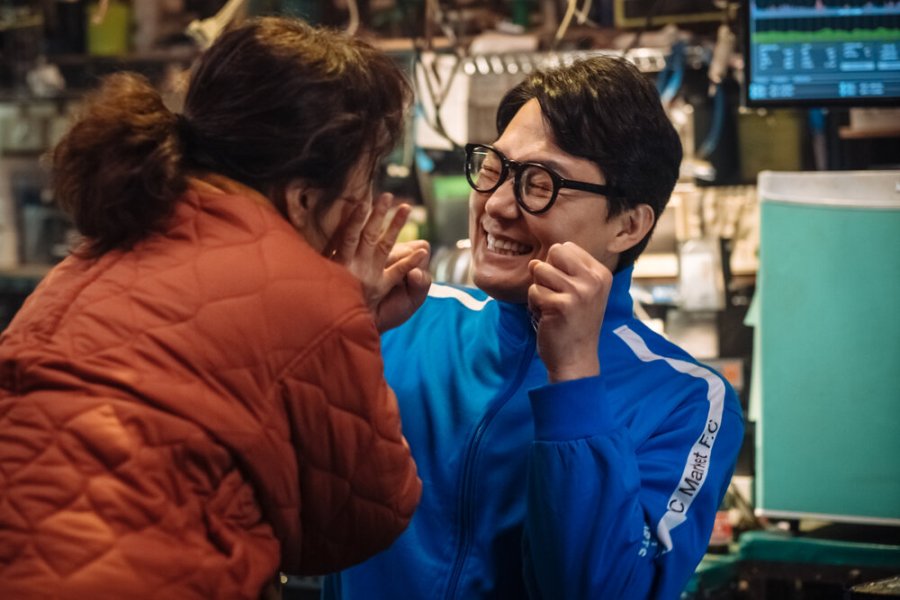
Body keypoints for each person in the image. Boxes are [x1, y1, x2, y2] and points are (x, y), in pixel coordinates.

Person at [0, 17, 429, 600]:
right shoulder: (311, 292)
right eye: (366, 175)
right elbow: (365, 518)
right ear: (303, 198)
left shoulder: (92, 255)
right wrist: (346, 310)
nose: (368, 199)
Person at [325, 56, 744, 599]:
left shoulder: (686, 401)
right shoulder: (402, 318)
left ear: (627, 225)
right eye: (493, 169)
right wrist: (334, 338)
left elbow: (595, 591)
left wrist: (574, 376)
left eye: (539, 183)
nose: (497, 205)